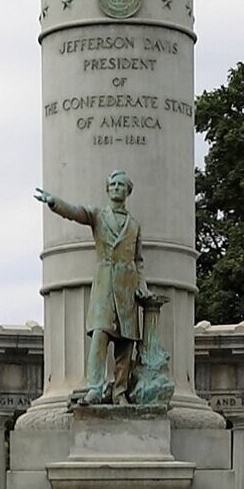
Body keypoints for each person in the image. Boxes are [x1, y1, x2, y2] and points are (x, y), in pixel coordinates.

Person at [37, 170, 152, 403]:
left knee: (126, 343)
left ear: (128, 191)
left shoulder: (135, 225)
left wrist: (143, 285)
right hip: (105, 284)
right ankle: (95, 388)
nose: (117, 188)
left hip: (127, 288)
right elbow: (76, 212)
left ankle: (120, 392)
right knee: (99, 335)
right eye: (113, 185)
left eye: (121, 185)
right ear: (108, 189)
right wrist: (54, 203)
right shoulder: (98, 215)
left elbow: (138, 260)